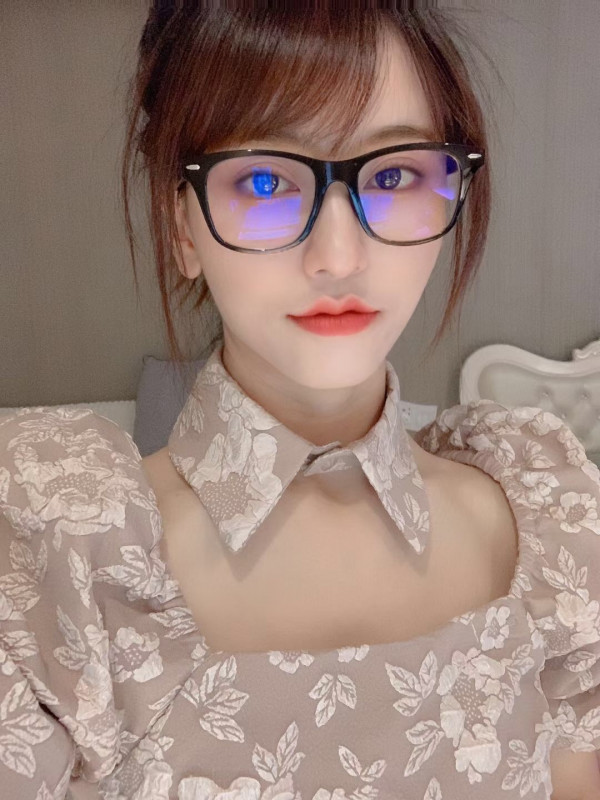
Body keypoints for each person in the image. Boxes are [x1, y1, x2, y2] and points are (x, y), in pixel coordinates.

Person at [0, 4, 599, 798]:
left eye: (393, 176)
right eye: (264, 180)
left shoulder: (549, 532)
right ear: (183, 228)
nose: (339, 256)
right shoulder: (64, 571)